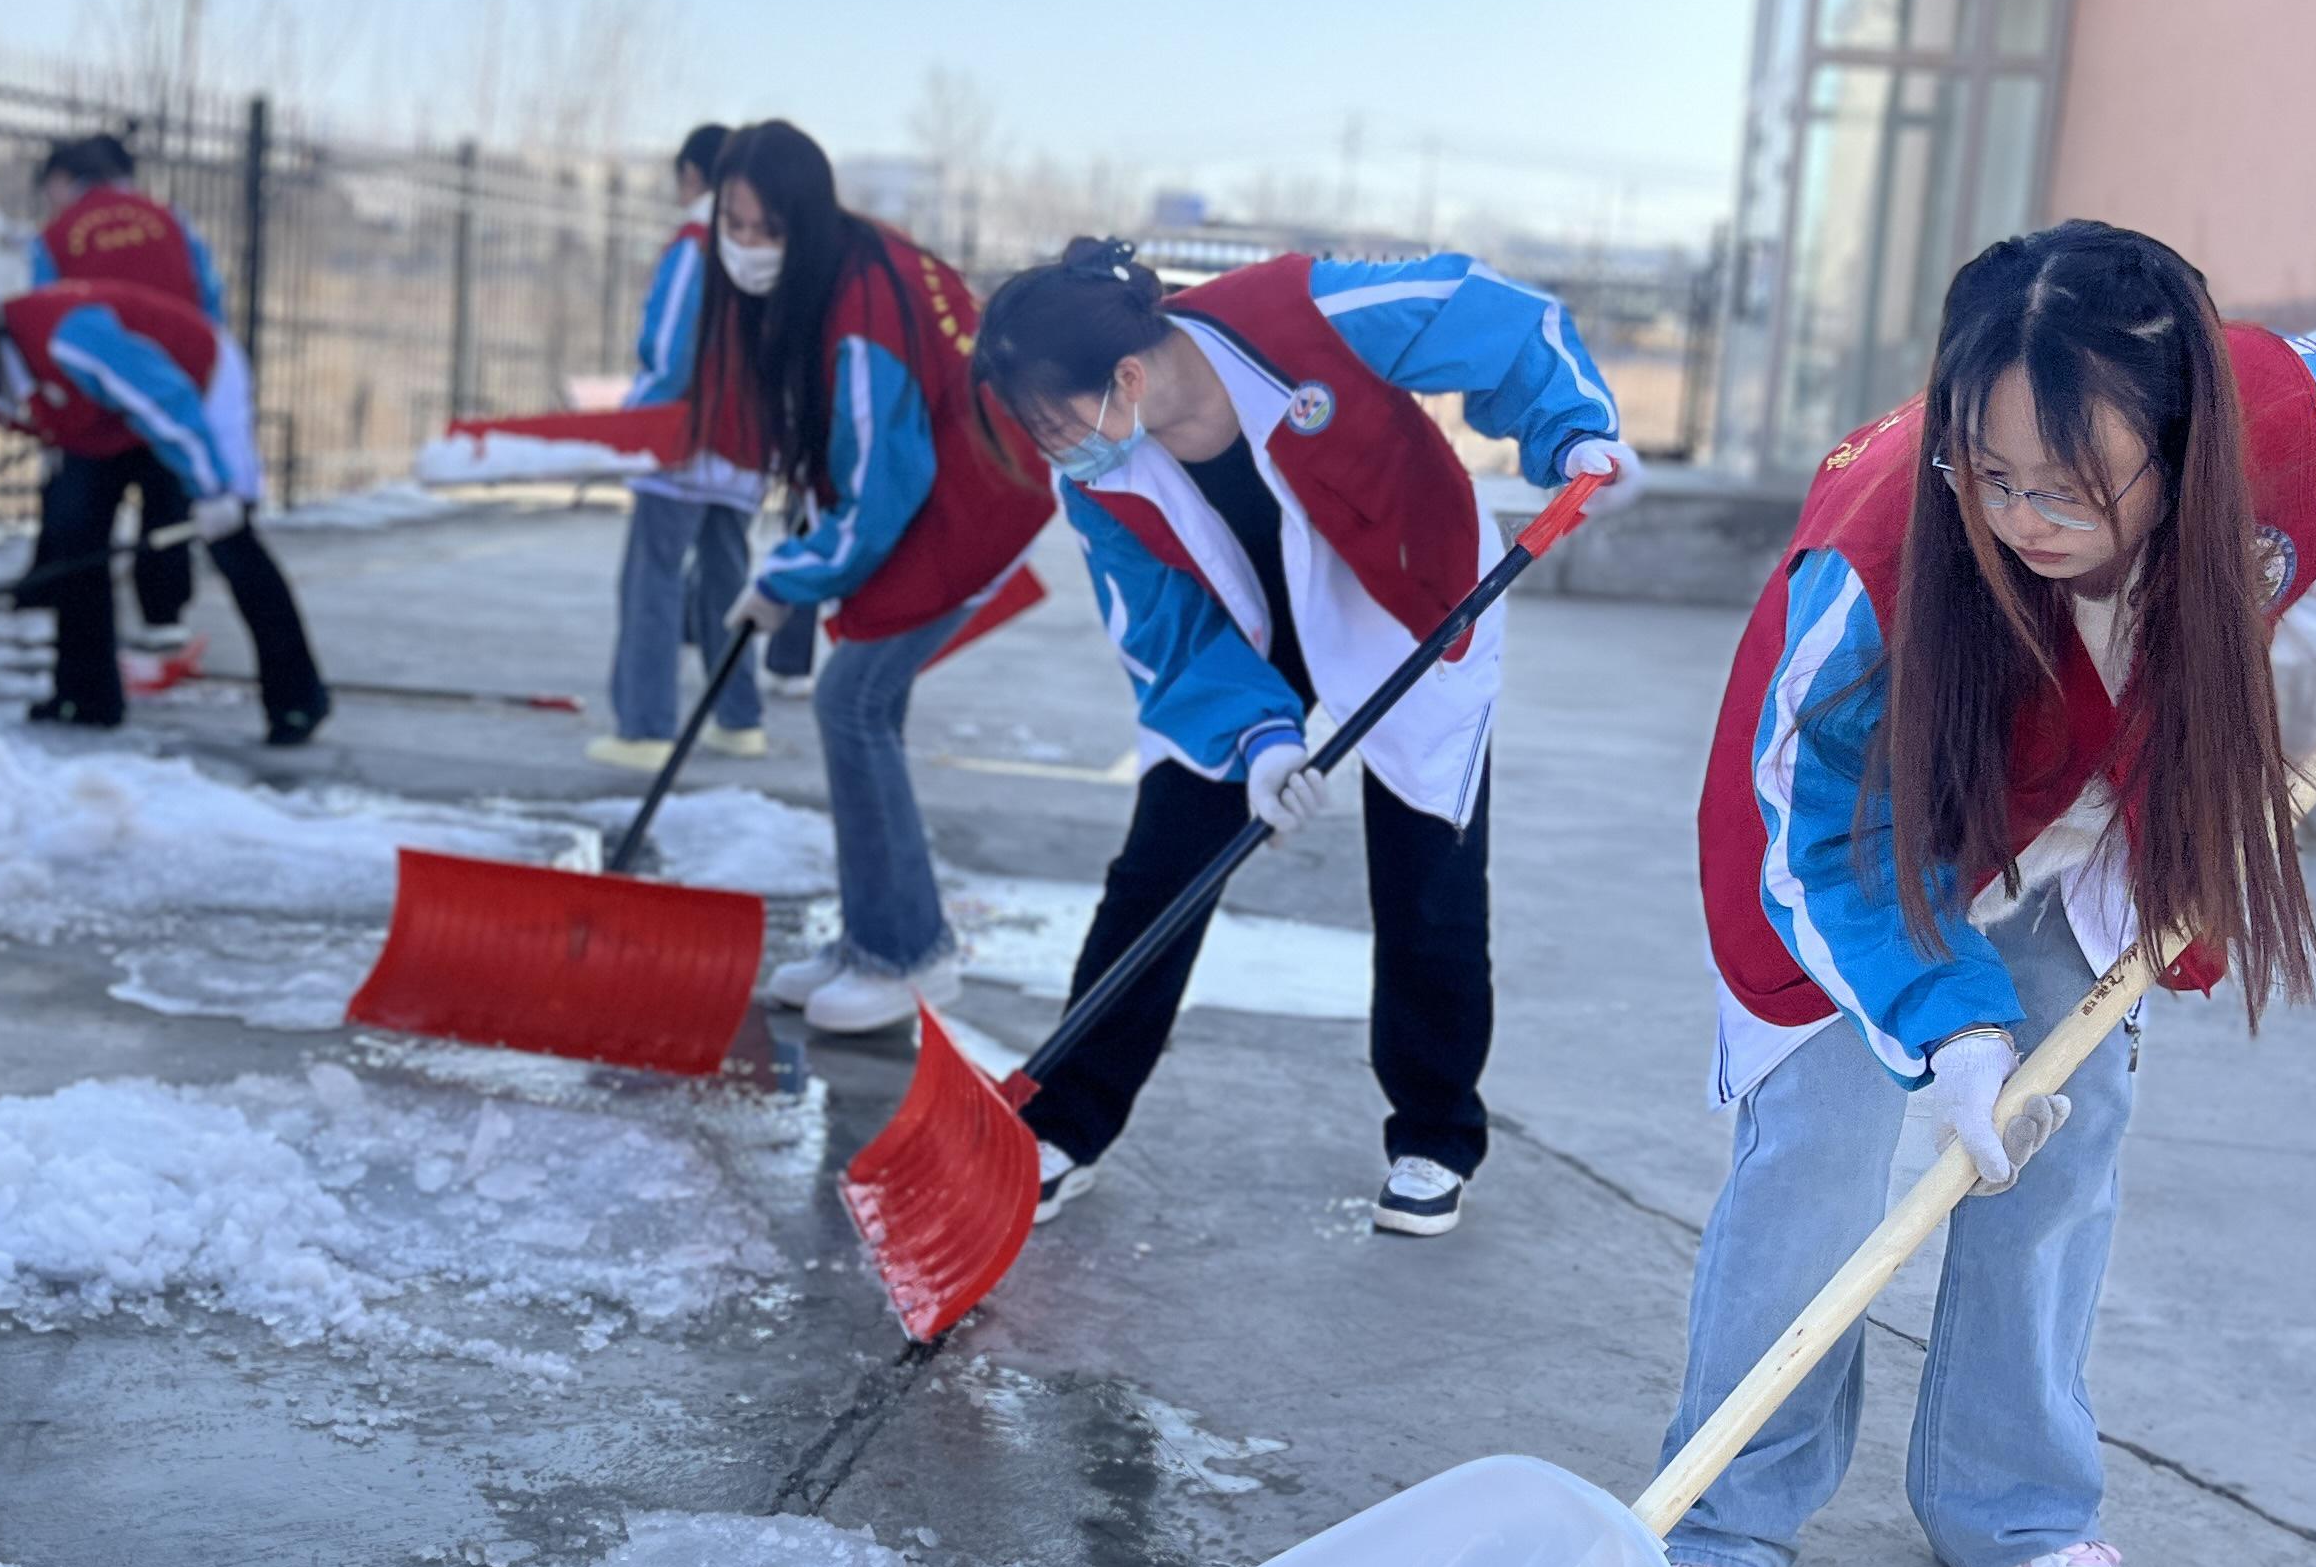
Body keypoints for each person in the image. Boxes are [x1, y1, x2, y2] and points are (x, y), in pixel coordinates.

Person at [1662, 220, 2316, 1567]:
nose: (2025, 515)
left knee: (2062, 1149)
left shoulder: (2284, 412)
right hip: (1863, 849)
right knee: (1820, 1171)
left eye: (2070, 482)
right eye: (1988, 474)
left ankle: (2014, 1509)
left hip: (2097, 823)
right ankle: (1719, 1527)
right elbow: (1833, 835)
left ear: (2186, 437)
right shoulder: (1874, 558)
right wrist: (1953, 1030)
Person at [972, 237, 1639, 1233]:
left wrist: (1574, 429)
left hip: (1409, 595)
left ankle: (1432, 1132)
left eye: (1053, 418)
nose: (1051, 446)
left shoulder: (1301, 313)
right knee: (1162, 866)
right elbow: (1163, 633)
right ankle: (1066, 1117)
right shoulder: (1098, 479)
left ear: (1125, 374)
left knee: (1429, 873)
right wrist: (1260, 742)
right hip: (1239, 639)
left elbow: (1493, 315)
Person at [703, 119, 1053, 1035]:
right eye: (731, 226)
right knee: (864, 704)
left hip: (977, 502)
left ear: (804, 220)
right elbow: (853, 463)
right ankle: (876, 935)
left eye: (764, 229)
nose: (745, 248)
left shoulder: (864, 309)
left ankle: (907, 955)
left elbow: (883, 490)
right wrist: (802, 563)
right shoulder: (846, 267)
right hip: (957, 486)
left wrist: (788, 577)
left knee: (850, 702)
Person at [0, 273, 332, 747]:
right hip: (97, 420)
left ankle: (296, 698)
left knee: (231, 541)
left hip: (193, 385)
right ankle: (85, 698)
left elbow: (164, 401)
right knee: (71, 532)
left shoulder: (65, 339)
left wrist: (214, 490)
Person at [20, 135, 249, 661]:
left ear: (64, 179)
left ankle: (74, 636)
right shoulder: (171, 221)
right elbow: (209, 298)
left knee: (80, 515)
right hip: (172, 387)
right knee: (166, 503)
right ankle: (163, 616)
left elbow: (42, 310)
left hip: (93, 400)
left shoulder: (54, 237)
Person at [593, 123, 775, 771]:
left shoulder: (697, 243)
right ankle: (738, 719)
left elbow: (669, 349)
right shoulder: (769, 246)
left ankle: (644, 728)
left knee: (653, 580)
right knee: (727, 582)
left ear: (694, 176)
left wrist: (636, 426)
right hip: (747, 445)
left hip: (683, 440)